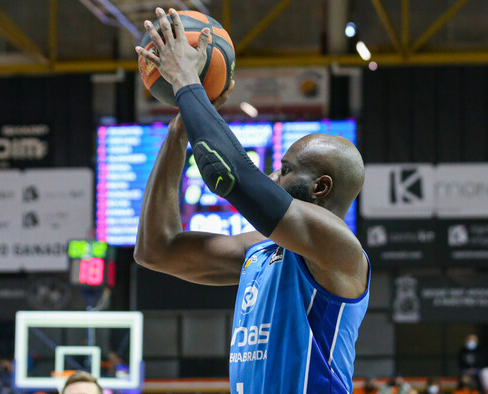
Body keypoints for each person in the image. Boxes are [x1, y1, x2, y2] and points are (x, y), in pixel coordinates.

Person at [134, 7, 369, 393]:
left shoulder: (339, 248)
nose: (273, 176)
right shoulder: (260, 251)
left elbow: (232, 176)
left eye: (285, 168)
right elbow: (156, 249)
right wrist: (179, 128)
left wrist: (186, 82)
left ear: (320, 188)